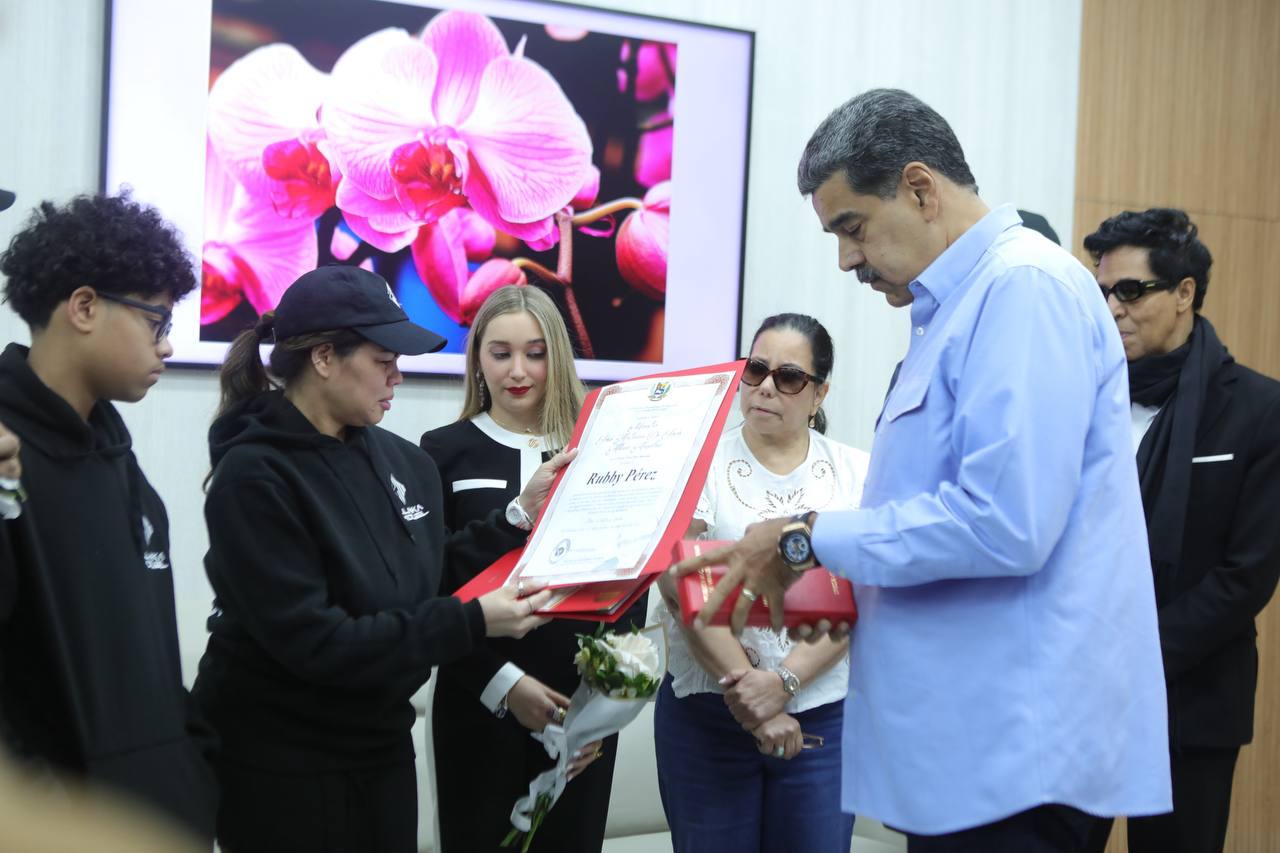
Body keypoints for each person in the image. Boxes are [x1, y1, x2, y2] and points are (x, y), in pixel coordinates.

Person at [674, 88, 1173, 852]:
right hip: (966, 748)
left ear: (919, 188)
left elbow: (1005, 524)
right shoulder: (956, 307)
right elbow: (936, 511)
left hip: (1016, 755)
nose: (846, 259)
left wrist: (804, 538)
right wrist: (848, 587)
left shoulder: (1023, 288)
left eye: (853, 228)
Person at [190, 267, 571, 853]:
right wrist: (473, 621)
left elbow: (425, 571)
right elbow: (318, 642)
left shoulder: (403, 462)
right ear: (323, 358)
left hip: (381, 748)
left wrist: (515, 517)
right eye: (383, 360)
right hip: (280, 760)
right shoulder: (254, 476)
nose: (398, 375)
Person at [0, 192, 218, 838]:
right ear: (85, 307)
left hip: (155, 820)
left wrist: (192, 775)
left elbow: (149, 662)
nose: (168, 345)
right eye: (156, 320)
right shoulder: (7, 458)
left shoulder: (124, 467)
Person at [1079, 209, 1280, 853]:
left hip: (1192, 694)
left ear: (1185, 292)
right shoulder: (1084, 394)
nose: (1112, 308)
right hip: (1078, 689)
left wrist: (1136, 656)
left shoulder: (1258, 408)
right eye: (1102, 291)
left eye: (1131, 290)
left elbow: (1247, 574)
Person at [420, 284, 640, 853]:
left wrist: (603, 707)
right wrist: (503, 685)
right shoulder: (441, 450)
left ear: (557, 358)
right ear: (477, 360)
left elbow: (629, 585)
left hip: (579, 711)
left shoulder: (603, 451)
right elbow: (431, 586)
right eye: (501, 353)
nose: (518, 371)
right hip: (477, 698)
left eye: (535, 353)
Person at [653, 313, 867, 853]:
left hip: (822, 717)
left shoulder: (856, 473)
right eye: (755, 370)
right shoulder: (696, 463)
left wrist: (783, 686)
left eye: (789, 376)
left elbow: (862, 596)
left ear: (819, 394)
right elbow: (678, 584)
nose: (766, 387)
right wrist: (751, 694)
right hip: (709, 716)